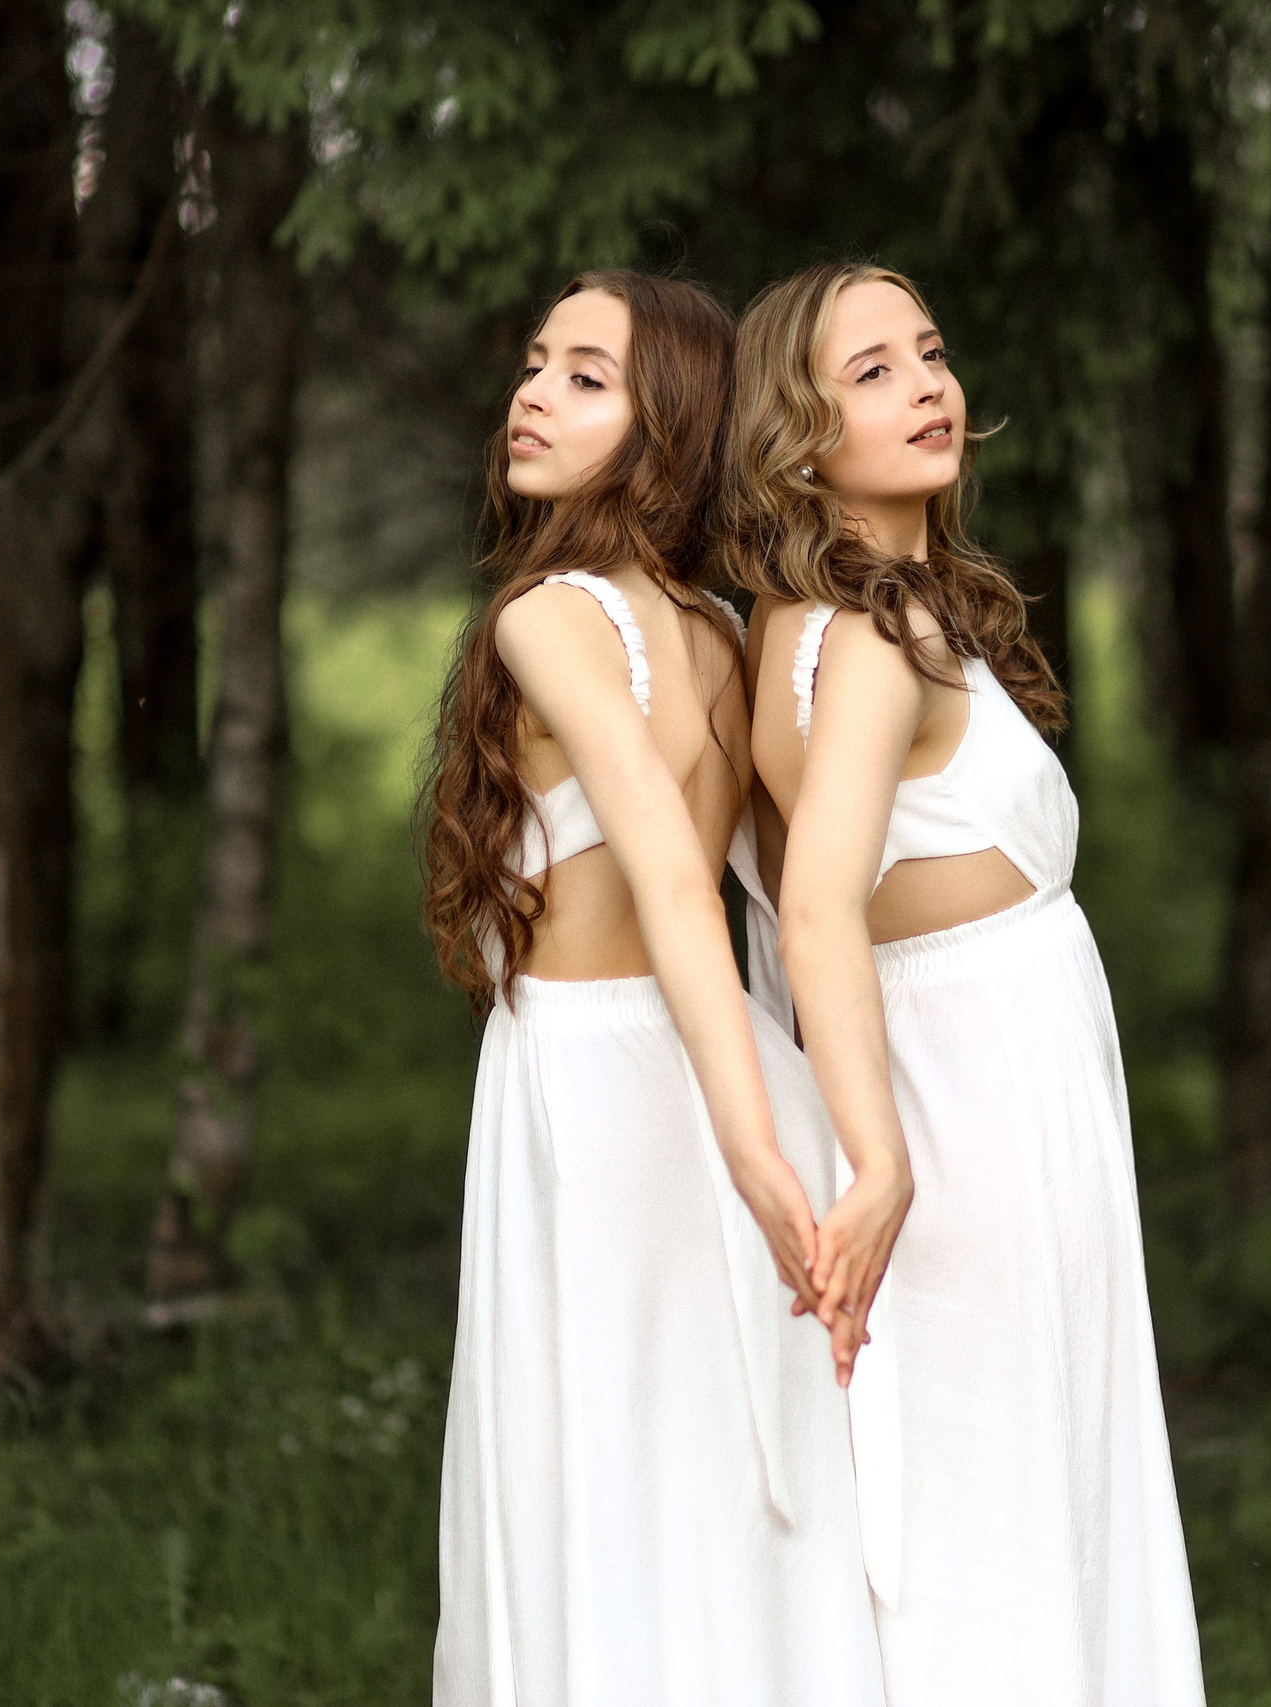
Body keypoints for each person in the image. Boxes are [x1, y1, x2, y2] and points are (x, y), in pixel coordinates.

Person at [721, 260, 1206, 1707]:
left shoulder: (796, 626)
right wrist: (880, 1161)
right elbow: (814, 904)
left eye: (930, 352)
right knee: (1004, 1472)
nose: (928, 384)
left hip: (976, 1058)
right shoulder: (873, 635)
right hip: (969, 1085)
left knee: (978, 1464)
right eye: (872, 370)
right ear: (800, 436)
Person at [422, 269, 884, 1707]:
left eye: (584, 377)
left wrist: (756, 1147)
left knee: (592, 1467)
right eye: (535, 363)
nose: (533, 393)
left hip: (598, 1083)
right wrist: (785, 1105)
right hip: (720, 1052)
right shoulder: (719, 631)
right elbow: (781, 887)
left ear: (663, 428)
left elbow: (692, 885)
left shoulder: (546, 620)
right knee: (714, 1476)